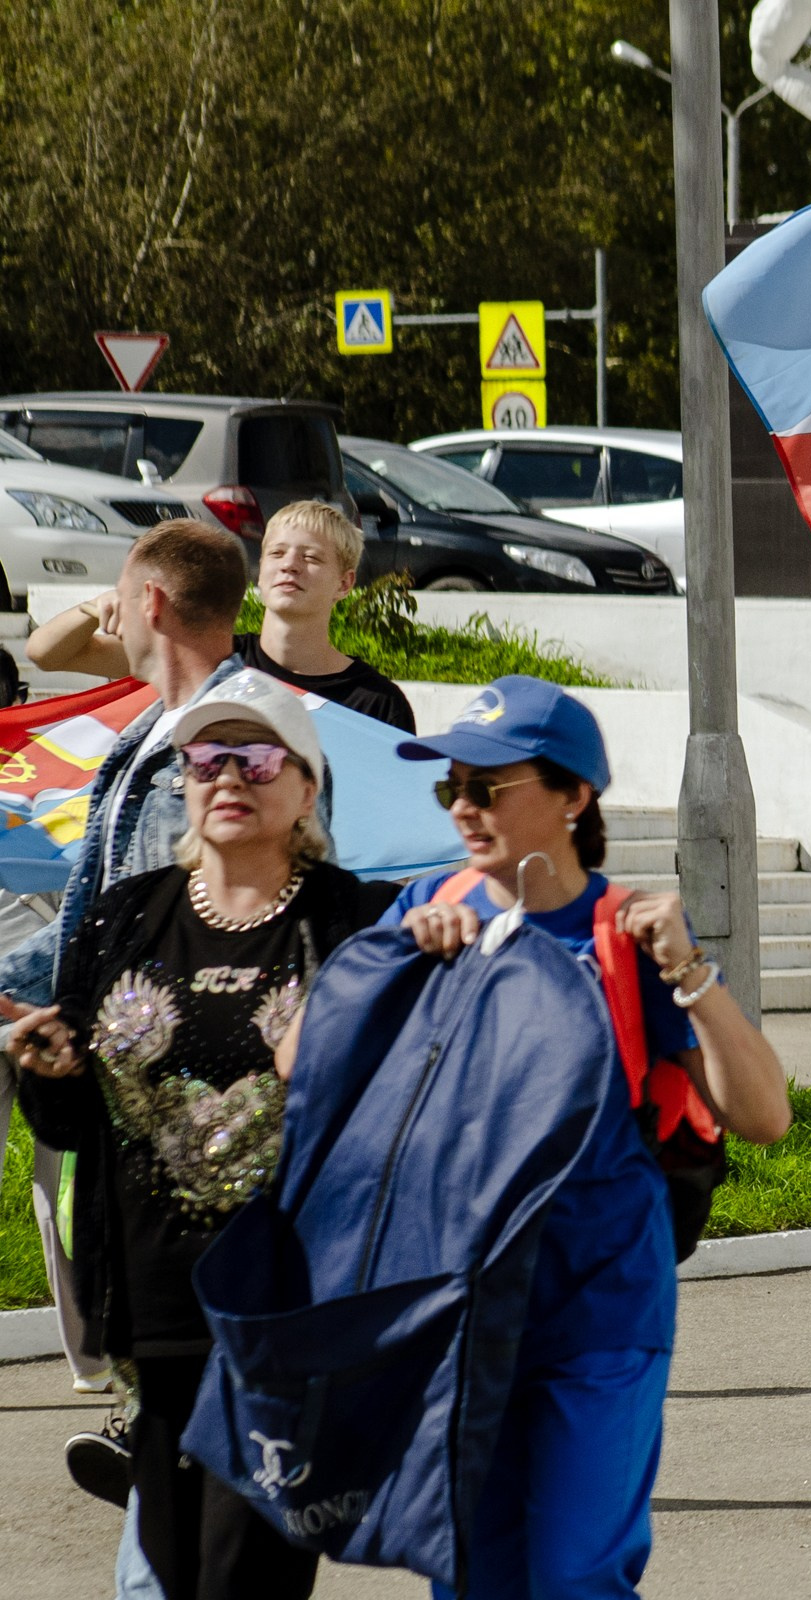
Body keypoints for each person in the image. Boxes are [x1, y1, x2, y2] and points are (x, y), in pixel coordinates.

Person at [379, 676, 790, 1599]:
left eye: (490, 787)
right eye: (453, 787)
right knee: (472, 1576)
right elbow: (312, 1077)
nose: (465, 808)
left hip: (598, 1308)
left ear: (573, 797)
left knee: (574, 1578)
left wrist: (687, 968)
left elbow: (764, 1115)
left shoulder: (626, 934)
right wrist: (397, 972)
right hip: (459, 1309)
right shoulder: (418, 912)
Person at [8, 669, 394, 1600]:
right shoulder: (124, 917)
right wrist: (45, 1070)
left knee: (242, 1578)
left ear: (306, 787)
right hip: (153, 1308)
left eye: (256, 757)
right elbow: (77, 1116)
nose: (229, 776)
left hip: (285, 1308)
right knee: (175, 1572)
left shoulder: (352, 924)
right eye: (206, 758)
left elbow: (387, 1107)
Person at [0, 519, 251, 1519]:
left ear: (148, 602)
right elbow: (96, 914)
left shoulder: (203, 743)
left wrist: (63, 1015)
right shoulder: (166, 728)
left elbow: (145, 933)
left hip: (168, 1113)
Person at [31, 500, 416, 732]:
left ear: (345, 584)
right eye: (277, 554)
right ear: (260, 570)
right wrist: (95, 607)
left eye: (311, 557)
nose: (291, 566)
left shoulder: (378, 703)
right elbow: (47, 655)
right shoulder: (207, 658)